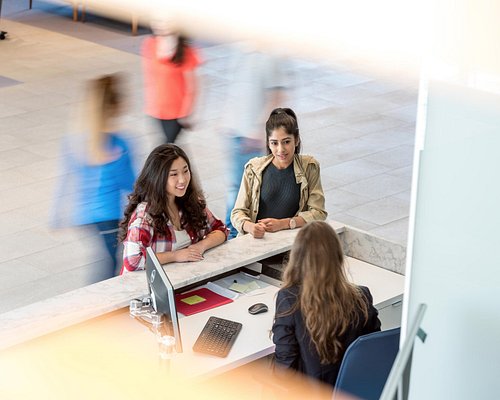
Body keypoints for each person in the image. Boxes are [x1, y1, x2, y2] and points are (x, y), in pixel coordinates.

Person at [271, 221, 382, 387]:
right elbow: (373, 351)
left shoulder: (289, 299)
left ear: (297, 257)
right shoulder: (362, 297)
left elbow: (285, 364)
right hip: (352, 391)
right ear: (337, 257)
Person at [52, 73, 136, 280]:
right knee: (110, 267)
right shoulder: (120, 144)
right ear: (115, 106)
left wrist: (56, 215)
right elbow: (131, 184)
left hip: (84, 216)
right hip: (109, 216)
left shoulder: (75, 140)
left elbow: (65, 179)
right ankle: (97, 307)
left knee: (107, 261)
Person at [118, 144, 228, 273]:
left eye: (185, 171)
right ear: (158, 177)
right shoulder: (144, 215)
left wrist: (200, 246)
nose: (182, 179)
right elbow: (133, 261)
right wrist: (176, 255)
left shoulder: (191, 202)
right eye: (174, 174)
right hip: (147, 287)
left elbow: (221, 229)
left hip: (182, 278)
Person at [221, 44, 288, 239]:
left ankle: (237, 232)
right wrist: (227, 119)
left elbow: (276, 98)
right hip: (236, 133)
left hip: (252, 137)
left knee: (250, 189)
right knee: (237, 187)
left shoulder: (269, 57)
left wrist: (260, 130)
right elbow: (235, 90)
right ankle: (234, 231)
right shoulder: (239, 50)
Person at [230, 107, 327, 239]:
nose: (280, 149)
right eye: (274, 143)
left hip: (293, 246)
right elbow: (237, 213)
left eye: (286, 142)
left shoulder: (309, 167)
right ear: (268, 144)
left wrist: (285, 224)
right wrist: (250, 227)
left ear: (296, 140)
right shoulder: (253, 168)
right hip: (258, 244)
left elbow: (318, 212)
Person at [141, 19, 202, 143]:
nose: (159, 23)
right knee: (168, 151)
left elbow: (192, 87)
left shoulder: (187, 51)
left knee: (166, 149)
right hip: (156, 109)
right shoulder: (149, 44)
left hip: (176, 112)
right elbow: (150, 78)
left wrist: (187, 113)